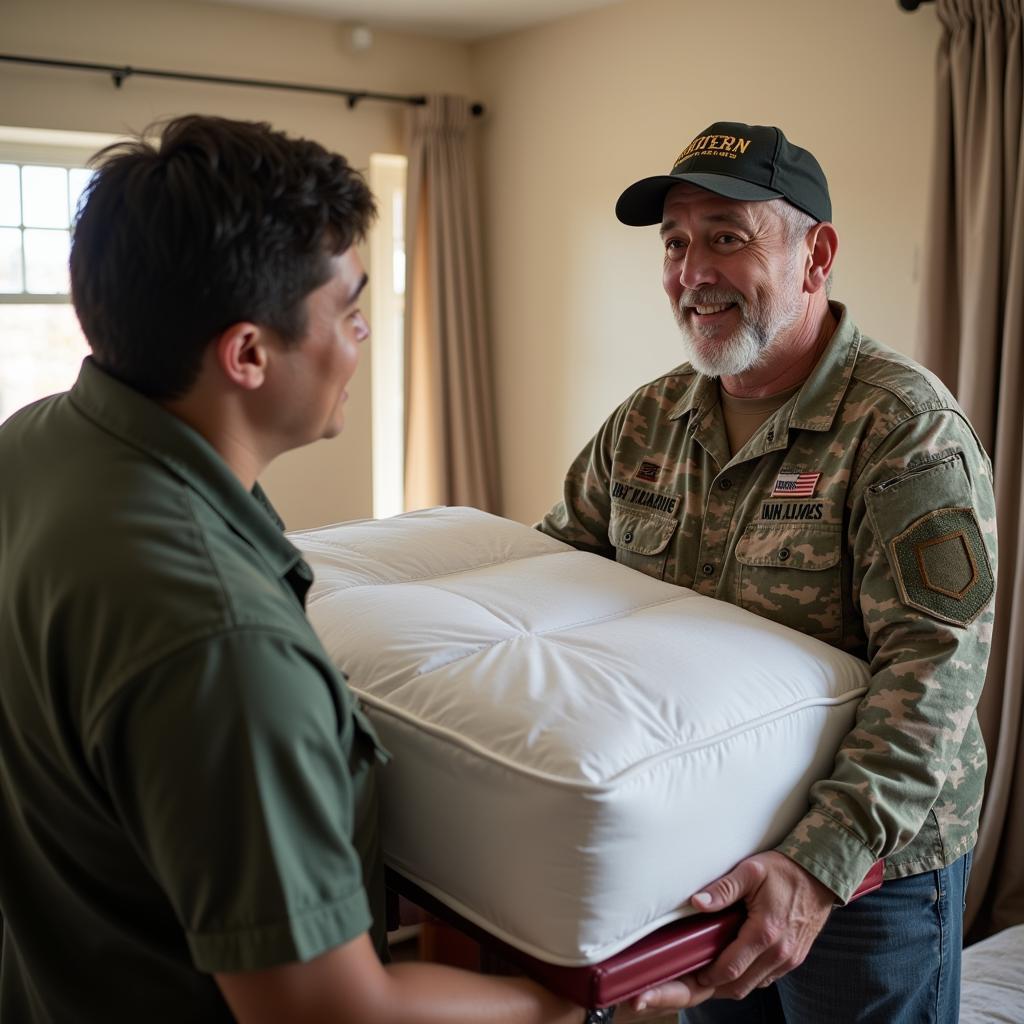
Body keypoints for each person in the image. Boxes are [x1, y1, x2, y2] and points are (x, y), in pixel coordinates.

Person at [0, 115, 705, 1024]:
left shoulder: (32, 446)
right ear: (248, 353)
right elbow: (325, 1010)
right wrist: (562, 1005)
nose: (365, 332)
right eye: (348, 308)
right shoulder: (225, 647)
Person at [538, 120, 997, 1024]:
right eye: (675, 243)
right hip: (705, 851)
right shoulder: (648, 421)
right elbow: (556, 589)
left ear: (815, 254)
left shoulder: (904, 428)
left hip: (871, 874)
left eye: (725, 237)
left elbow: (934, 671)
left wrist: (819, 865)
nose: (690, 272)